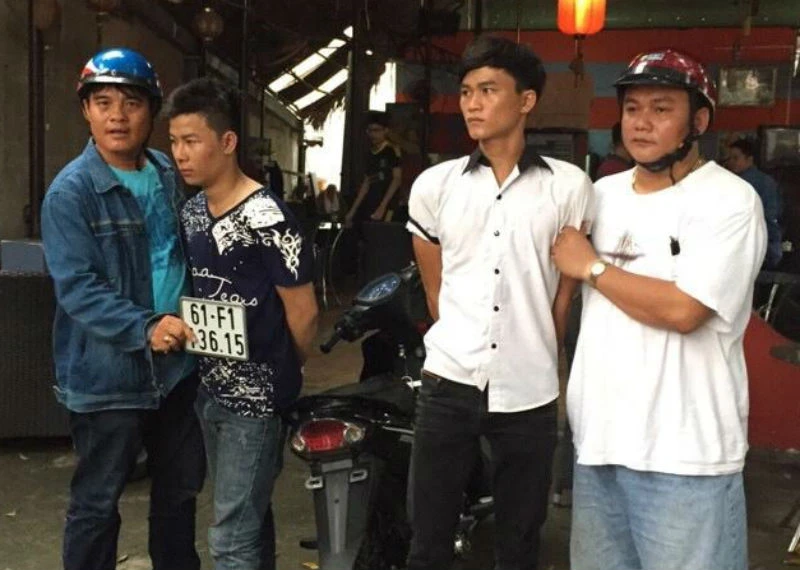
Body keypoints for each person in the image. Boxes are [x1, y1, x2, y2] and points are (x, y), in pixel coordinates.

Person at [551, 49, 766, 570]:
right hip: (599, 446)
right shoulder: (600, 194)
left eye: (661, 108)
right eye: (632, 108)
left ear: (699, 122)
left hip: (685, 456)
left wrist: (592, 267)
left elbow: (685, 310)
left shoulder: (730, 200)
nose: (641, 122)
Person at [405, 35, 594, 570]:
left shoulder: (568, 187)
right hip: (448, 383)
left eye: (488, 90)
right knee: (428, 539)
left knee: (520, 541)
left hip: (530, 390)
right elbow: (435, 289)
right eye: (467, 91)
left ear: (526, 100)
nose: (472, 103)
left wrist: (536, 351)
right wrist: (463, 342)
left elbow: (562, 296)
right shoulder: (435, 186)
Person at [40, 48, 205, 570]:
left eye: (131, 102)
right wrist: (146, 326)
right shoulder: (71, 193)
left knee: (178, 495)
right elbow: (78, 288)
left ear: (151, 111)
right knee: (97, 501)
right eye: (103, 102)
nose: (117, 116)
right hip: (109, 376)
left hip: (178, 369)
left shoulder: (168, 171)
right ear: (86, 111)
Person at [166, 77, 319, 570]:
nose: (180, 154)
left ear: (227, 141)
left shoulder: (267, 217)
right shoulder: (192, 213)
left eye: (192, 141)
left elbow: (303, 312)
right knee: (249, 516)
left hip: (255, 402)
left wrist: (280, 370)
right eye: (174, 141)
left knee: (230, 538)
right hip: (208, 389)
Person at [727, 137, 783, 269]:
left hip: (747, 245)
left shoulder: (739, 183)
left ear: (749, 159)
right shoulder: (768, 181)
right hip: (768, 245)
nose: (731, 162)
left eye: (736, 158)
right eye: (729, 158)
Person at [344, 110, 402, 226]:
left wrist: (383, 206)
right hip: (370, 203)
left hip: (387, 205)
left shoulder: (391, 151)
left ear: (385, 131)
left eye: (376, 130)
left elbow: (397, 179)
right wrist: (352, 212)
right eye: (370, 130)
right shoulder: (370, 153)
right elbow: (366, 183)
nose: (372, 134)